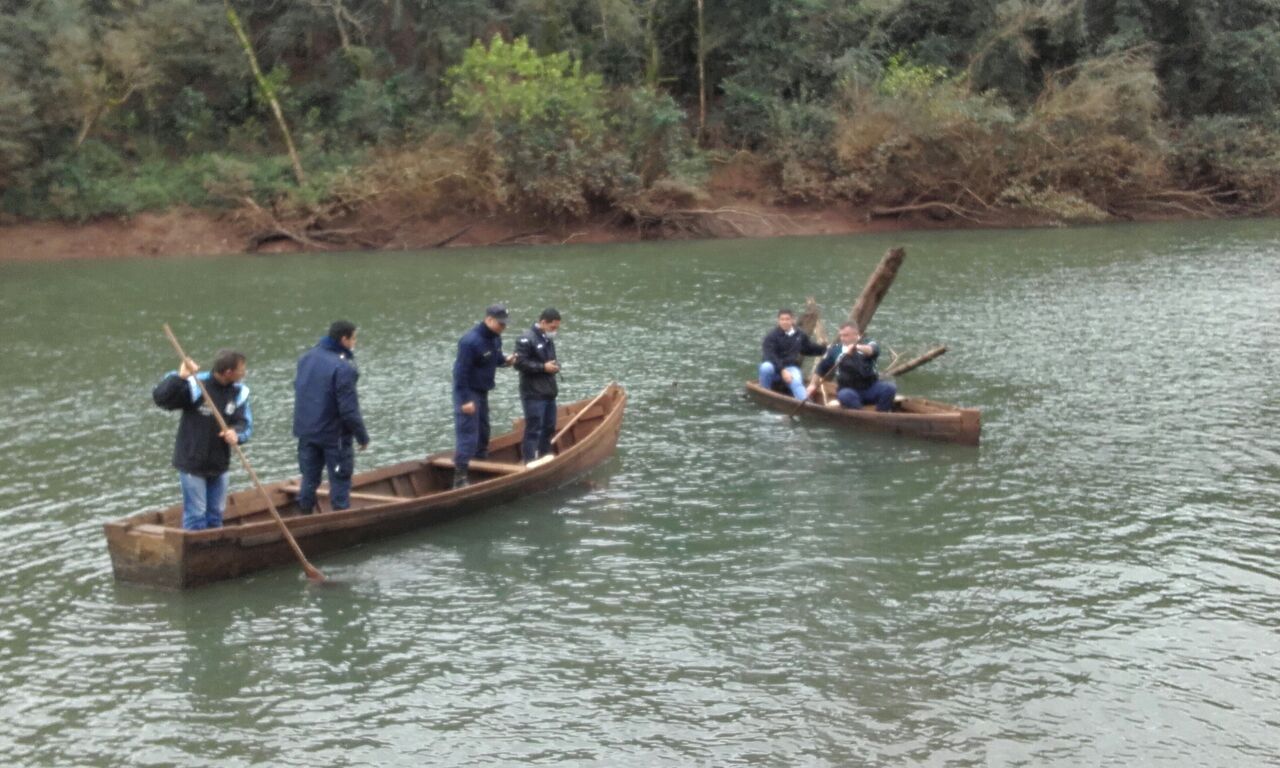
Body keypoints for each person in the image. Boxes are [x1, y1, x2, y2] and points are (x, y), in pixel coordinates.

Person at [152, 349, 252, 530]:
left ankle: (215, 551)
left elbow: (244, 423)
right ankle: (194, 551)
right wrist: (180, 377)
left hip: (219, 464)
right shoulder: (197, 384)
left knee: (215, 514)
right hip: (192, 463)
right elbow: (161, 398)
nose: (244, 373)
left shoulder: (239, 392)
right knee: (196, 514)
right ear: (229, 372)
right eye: (241, 369)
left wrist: (235, 433)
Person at [293, 320, 370, 514]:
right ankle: (340, 515)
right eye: (354, 338)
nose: (355, 343)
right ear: (344, 339)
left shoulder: (306, 358)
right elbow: (348, 410)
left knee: (309, 477)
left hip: (306, 431)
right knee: (340, 478)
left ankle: (304, 515)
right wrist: (362, 436)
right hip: (334, 436)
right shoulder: (344, 368)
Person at [452, 304, 516, 487]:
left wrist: (506, 360)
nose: (504, 327)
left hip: (482, 390)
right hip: (467, 391)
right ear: (488, 320)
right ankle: (460, 476)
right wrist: (465, 400)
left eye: (505, 324)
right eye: (500, 324)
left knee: (483, 429)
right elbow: (459, 373)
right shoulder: (469, 342)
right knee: (468, 433)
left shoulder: (495, 339)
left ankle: (480, 462)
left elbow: (494, 359)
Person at [809, 322, 897, 411]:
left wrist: (856, 347)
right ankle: (861, 415)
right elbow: (821, 369)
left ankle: (881, 415)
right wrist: (812, 385)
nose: (842, 338)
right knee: (845, 395)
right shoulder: (835, 350)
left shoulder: (869, 343)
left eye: (846, 335)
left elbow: (872, 350)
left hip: (870, 388)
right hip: (849, 390)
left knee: (889, 388)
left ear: (856, 335)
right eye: (841, 335)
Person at [514, 308, 562, 463]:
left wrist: (554, 366)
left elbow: (548, 360)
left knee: (549, 427)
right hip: (533, 393)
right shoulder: (526, 339)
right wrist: (543, 367)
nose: (554, 331)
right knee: (534, 428)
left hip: (548, 391)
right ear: (543, 322)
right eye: (552, 327)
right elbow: (520, 363)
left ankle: (545, 456)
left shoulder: (547, 339)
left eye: (556, 328)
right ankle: (528, 461)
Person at [760, 308, 827, 400]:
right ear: (778, 321)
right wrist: (782, 370)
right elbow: (770, 356)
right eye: (782, 319)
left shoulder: (799, 334)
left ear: (793, 320)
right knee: (765, 367)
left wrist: (826, 349)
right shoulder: (771, 336)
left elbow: (808, 348)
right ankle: (765, 393)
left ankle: (805, 402)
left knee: (796, 383)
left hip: (790, 367)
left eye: (787, 319)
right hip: (774, 368)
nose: (785, 322)